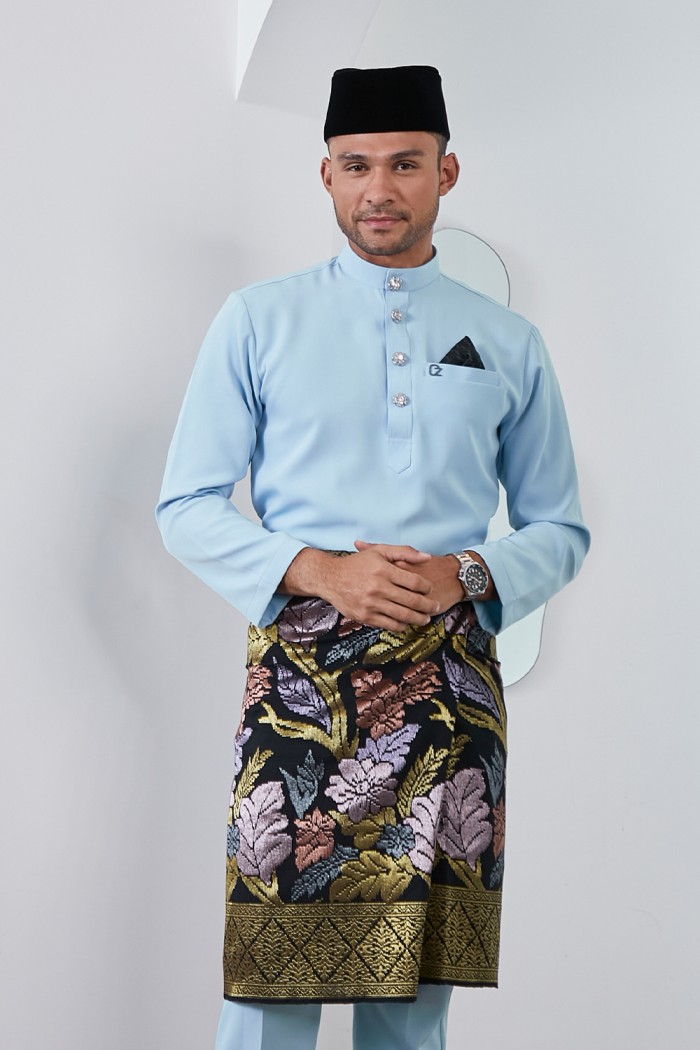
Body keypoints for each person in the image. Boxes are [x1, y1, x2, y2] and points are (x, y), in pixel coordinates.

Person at [156, 65, 589, 1050]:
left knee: (410, 1001)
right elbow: (184, 507)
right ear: (326, 176)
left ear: (446, 173)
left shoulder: (508, 340)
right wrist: (318, 569)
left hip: (448, 692)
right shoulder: (258, 319)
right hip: (300, 688)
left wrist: (467, 573)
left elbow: (559, 527)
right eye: (356, 166)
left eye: (404, 164)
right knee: (267, 988)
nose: (379, 189)